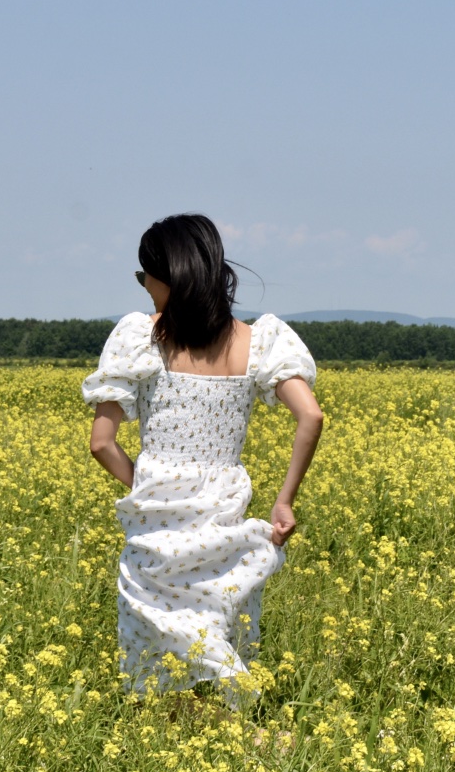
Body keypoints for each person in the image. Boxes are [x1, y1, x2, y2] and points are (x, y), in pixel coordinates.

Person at [83, 214, 324, 703]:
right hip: (223, 519)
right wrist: (284, 502)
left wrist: (147, 487)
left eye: (143, 275)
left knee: (158, 665)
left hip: (157, 529)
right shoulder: (260, 341)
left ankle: (233, 740)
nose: (144, 287)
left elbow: (101, 444)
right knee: (216, 640)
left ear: (166, 275)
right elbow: (311, 416)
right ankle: (238, 733)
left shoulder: (138, 337)